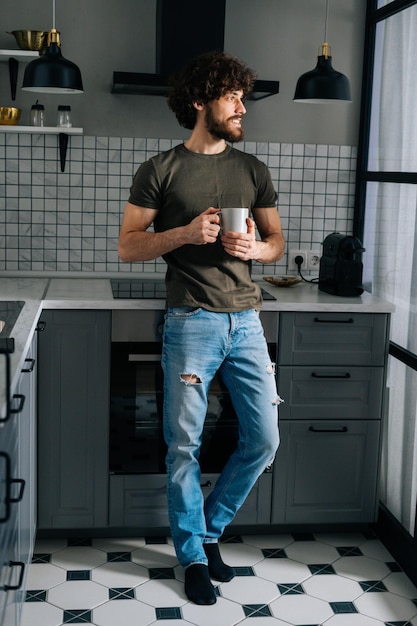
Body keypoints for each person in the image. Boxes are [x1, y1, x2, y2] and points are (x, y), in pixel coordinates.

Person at [118, 50, 285, 605]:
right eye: (232, 97)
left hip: (247, 322)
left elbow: (278, 243)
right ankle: (192, 555)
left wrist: (256, 249)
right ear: (199, 102)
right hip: (191, 322)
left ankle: (209, 530)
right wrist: (184, 235)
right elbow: (128, 246)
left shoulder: (252, 170)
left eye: (243, 97)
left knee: (263, 438)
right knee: (184, 446)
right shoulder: (159, 169)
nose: (242, 107)